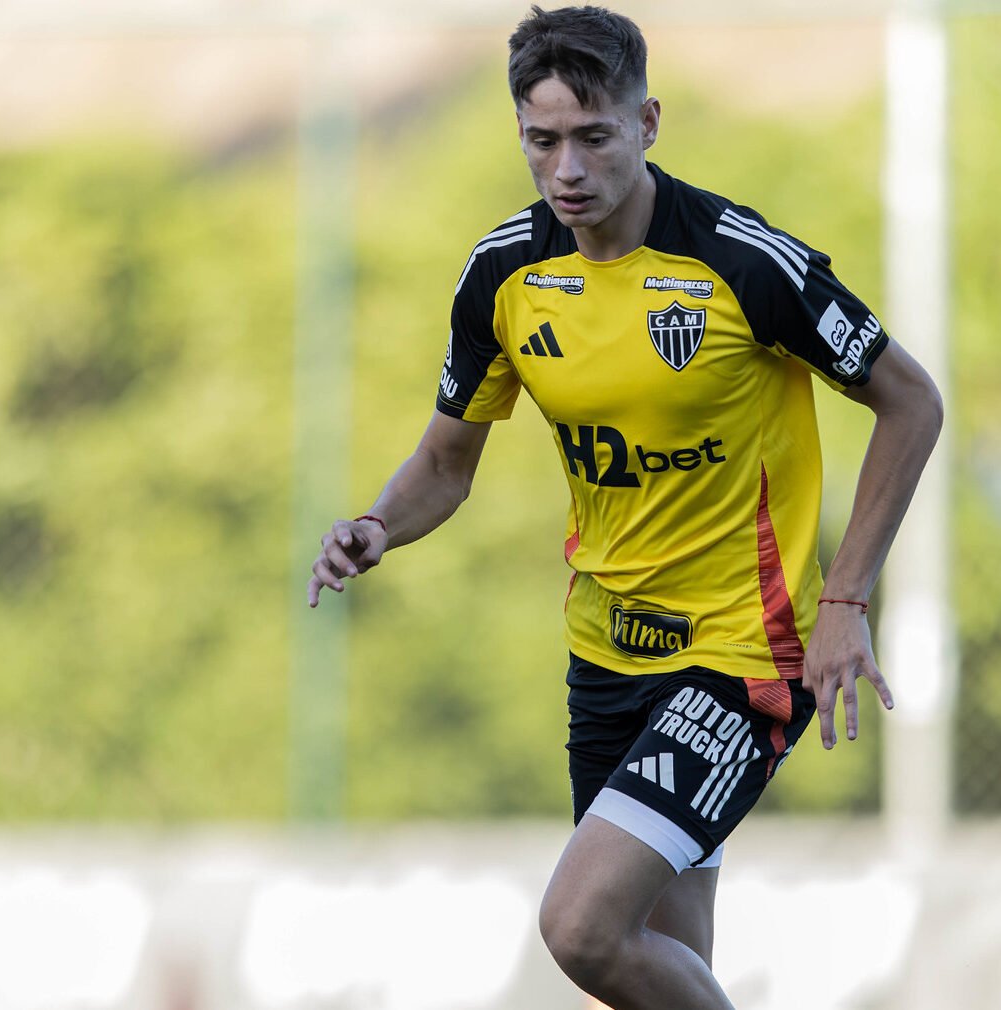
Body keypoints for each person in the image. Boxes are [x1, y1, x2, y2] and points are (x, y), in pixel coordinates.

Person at [307, 6, 943, 1008]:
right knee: (654, 966)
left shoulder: (741, 263)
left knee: (581, 926)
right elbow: (444, 459)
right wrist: (379, 522)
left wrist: (845, 600)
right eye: (541, 140)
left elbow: (909, 400)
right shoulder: (504, 274)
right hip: (604, 656)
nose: (566, 168)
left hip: (743, 652)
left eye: (592, 135)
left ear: (646, 123)